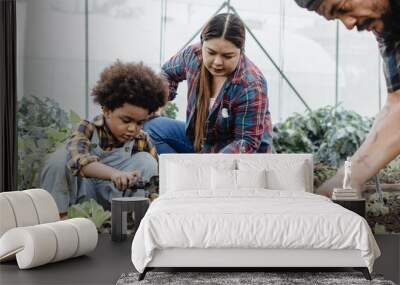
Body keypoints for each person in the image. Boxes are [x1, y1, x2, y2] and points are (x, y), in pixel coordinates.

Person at [294, 0, 400, 195]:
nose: (348, 24)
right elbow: (397, 101)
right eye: (337, 17)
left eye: (342, 9)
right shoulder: (387, 24)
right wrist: (348, 177)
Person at [40, 61, 168, 213]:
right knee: (60, 159)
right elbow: (78, 160)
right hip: (84, 198)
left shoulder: (141, 139)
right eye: (126, 120)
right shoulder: (88, 128)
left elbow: (160, 179)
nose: (133, 128)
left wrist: (147, 189)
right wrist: (114, 174)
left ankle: (131, 218)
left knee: (147, 161)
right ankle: (60, 218)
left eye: (139, 122)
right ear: (107, 110)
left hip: (116, 201)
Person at [144, 13, 273, 154]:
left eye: (227, 56)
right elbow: (167, 73)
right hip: (201, 142)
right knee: (151, 128)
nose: (217, 62)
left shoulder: (251, 84)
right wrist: (158, 101)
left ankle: (194, 173)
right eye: (211, 52)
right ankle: (179, 172)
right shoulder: (193, 55)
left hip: (233, 157)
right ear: (202, 43)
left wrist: (213, 166)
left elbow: (246, 142)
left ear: (241, 51)